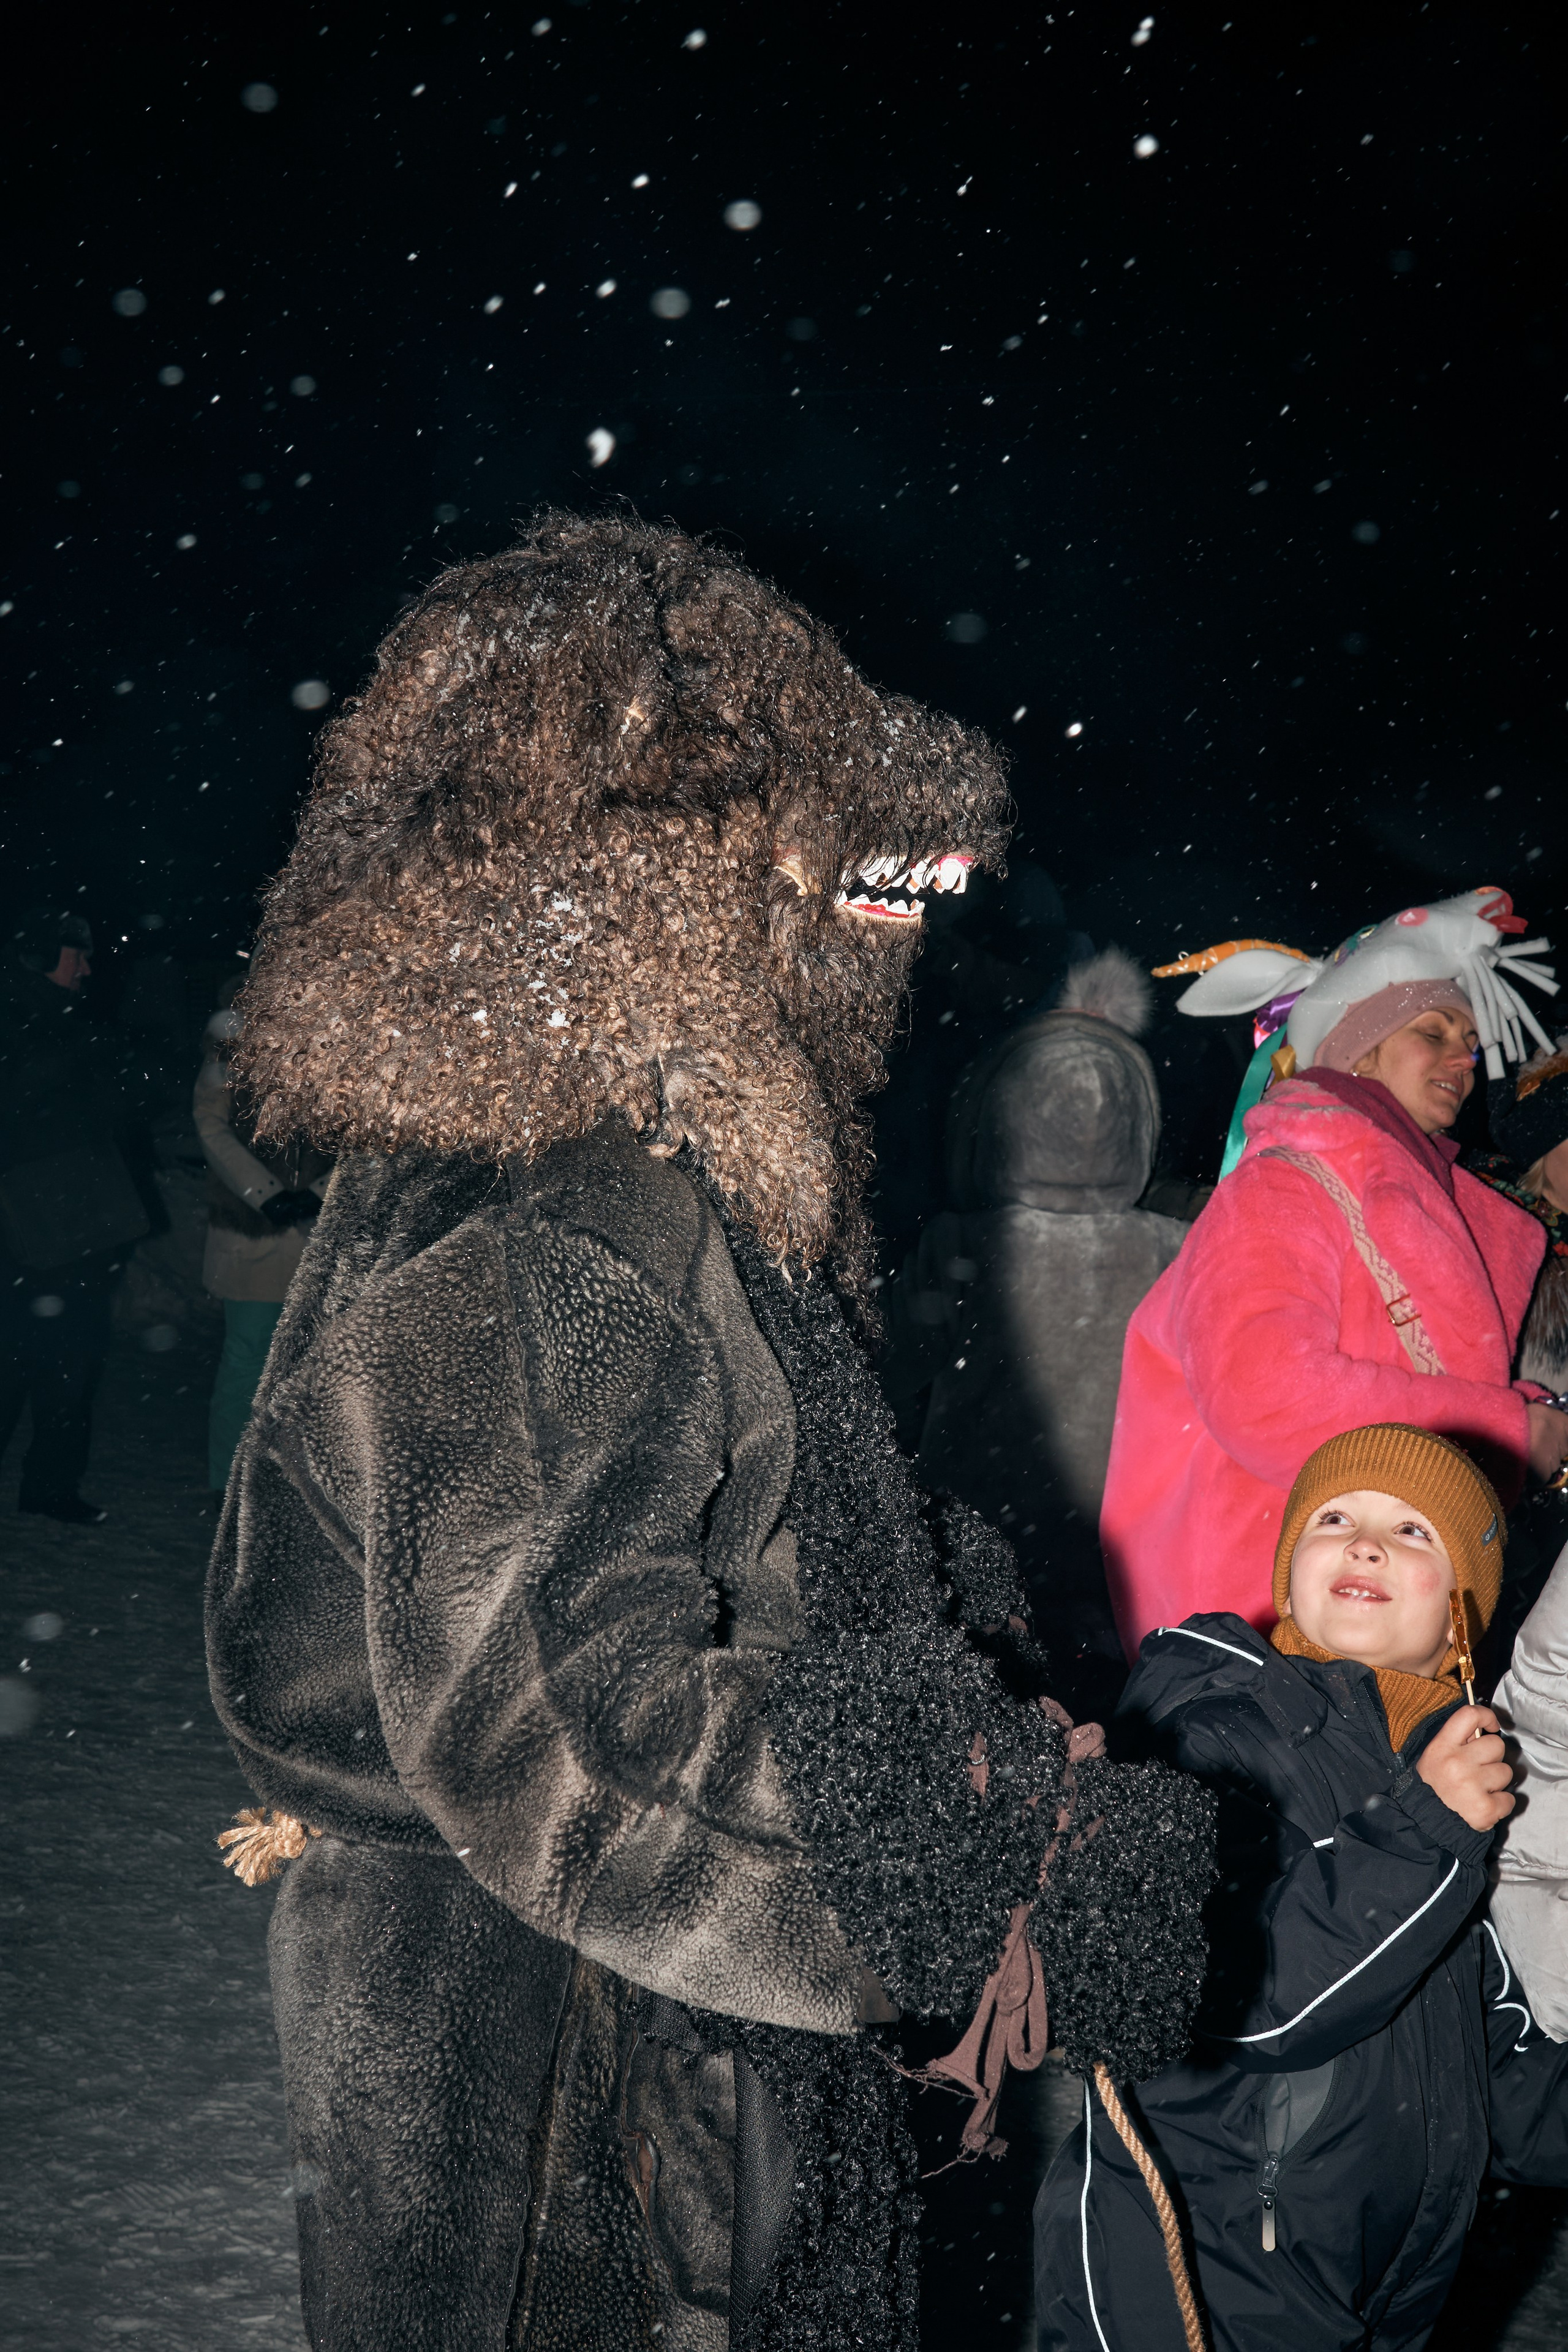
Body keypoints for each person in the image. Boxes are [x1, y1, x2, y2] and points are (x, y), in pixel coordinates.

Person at [203, 514, 1213, 2352]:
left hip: (635, 2030)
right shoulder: (570, 1196)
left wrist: (934, 1611)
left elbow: (717, 1522)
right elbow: (562, 1726)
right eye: (827, 852)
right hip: (553, 2065)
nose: (886, 913)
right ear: (655, 866)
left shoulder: (646, 1165)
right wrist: (971, 1831)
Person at [1037, 1422, 1568, 2352]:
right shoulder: (1215, 1727)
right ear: (1289, 1576)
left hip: (1375, 2295)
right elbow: (1247, 1999)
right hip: (1195, 2276)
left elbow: (1505, 2089)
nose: (1365, 1543)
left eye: (1413, 1531)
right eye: (1335, 1518)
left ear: (1462, 1619)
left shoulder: (1450, 1791)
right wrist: (1425, 1830)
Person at [1101, 889, 1568, 1653]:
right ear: (1360, 1046)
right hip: (1263, 1629)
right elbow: (1266, 1394)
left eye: (1469, 1042)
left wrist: (1529, 1417)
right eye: (1432, 1033)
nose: (1463, 1059)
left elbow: (1409, 1375)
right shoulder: (1284, 1183)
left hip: (1356, 1626)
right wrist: (1505, 1430)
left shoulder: (1416, 1198)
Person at [884, 947, 1186, 1711]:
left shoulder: (961, 1244)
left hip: (980, 1544)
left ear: (992, 1118)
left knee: (992, 1716)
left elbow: (887, 1371)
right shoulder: (1173, 1247)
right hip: (1127, 1553)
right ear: (1138, 1120)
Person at [0, 906, 149, 1523]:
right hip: (24, 1235)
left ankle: (51, 1486)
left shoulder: (74, 1027)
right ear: (41, 956)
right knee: (13, 1363)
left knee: (72, 1366)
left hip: (79, 1230)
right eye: (76, 956)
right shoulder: (21, 1025)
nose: (86, 970)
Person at [194, 976, 333, 1491]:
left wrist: (321, 1192)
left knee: (317, 1372)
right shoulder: (233, 1042)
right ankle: (230, 1488)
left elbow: (372, 1137)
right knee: (247, 1362)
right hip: (252, 1234)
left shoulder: (348, 1041)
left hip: (323, 1237)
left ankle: (293, 1494)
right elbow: (211, 1124)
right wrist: (267, 1194)